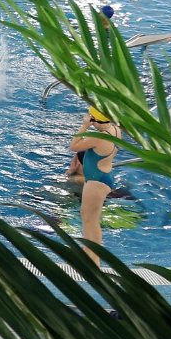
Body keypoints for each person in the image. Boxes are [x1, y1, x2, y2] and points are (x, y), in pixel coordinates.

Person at [68, 108, 121, 265]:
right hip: (103, 177)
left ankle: (94, 259)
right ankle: (89, 253)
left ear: (96, 120)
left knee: (91, 221)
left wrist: (84, 126)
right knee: (88, 217)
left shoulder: (98, 138)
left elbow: (74, 146)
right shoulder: (115, 130)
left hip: (95, 182)